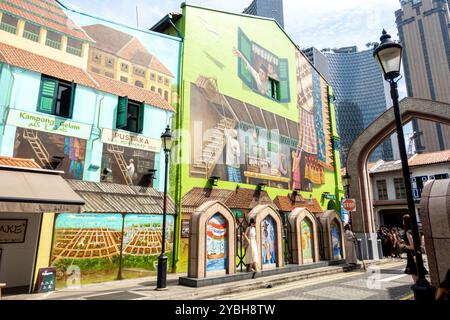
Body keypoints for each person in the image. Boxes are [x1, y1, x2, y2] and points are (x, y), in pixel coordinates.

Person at [399, 214, 428, 283]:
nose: (402, 221)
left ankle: (419, 292)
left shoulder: (408, 232)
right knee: (419, 274)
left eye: (403, 220)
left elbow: (413, 246)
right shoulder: (415, 231)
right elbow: (418, 243)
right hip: (417, 255)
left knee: (415, 276)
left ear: (406, 221)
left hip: (412, 256)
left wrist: (403, 245)